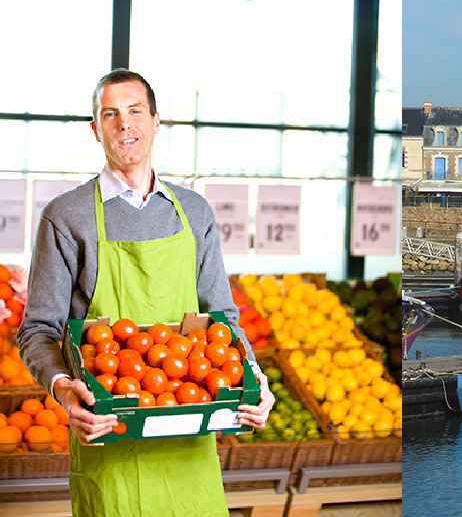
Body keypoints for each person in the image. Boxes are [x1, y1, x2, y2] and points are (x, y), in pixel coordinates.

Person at [17, 69, 275, 516]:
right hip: (109, 431)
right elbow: (37, 328)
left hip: (189, 436)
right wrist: (63, 389)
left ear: (157, 122)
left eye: (135, 111)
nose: (124, 124)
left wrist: (252, 377)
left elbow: (223, 319)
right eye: (110, 114)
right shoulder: (66, 216)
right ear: (96, 130)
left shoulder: (194, 212)